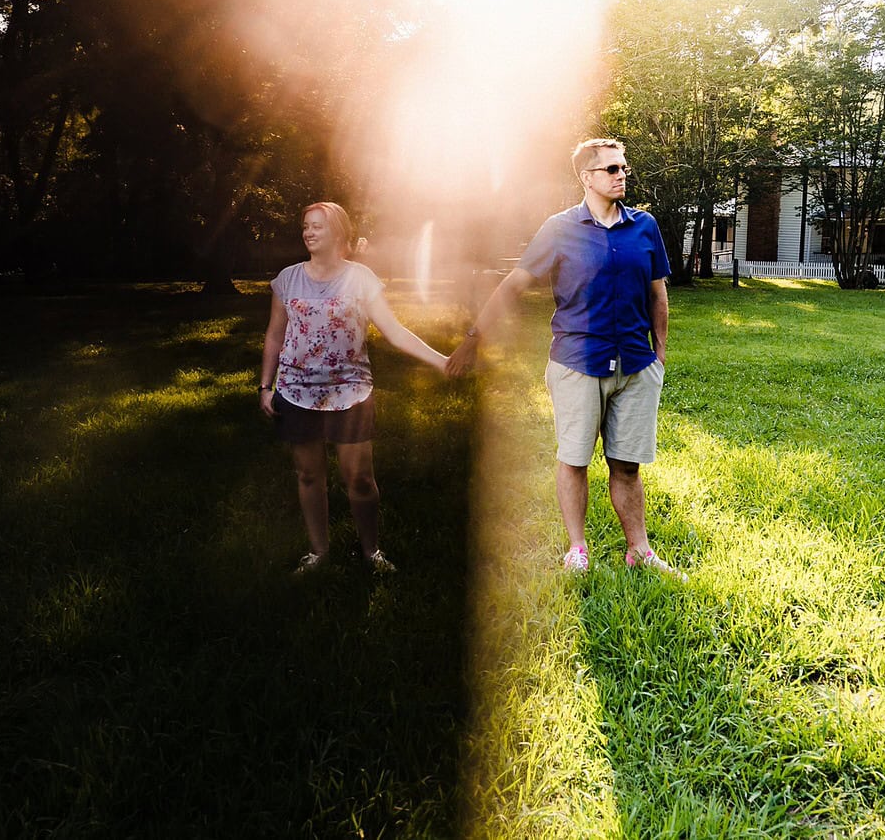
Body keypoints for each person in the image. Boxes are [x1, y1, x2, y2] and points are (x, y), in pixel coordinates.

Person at [446, 138, 680, 577]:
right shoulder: (558, 228)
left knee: (627, 465)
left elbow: (657, 293)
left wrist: (659, 355)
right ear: (586, 177)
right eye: (611, 169)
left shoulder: (644, 227)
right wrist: (474, 337)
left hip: (634, 363)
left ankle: (639, 551)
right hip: (577, 361)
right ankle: (578, 549)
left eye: (623, 167)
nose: (621, 175)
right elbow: (513, 285)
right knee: (575, 459)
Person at [262, 202, 449, 574]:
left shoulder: (361, 278)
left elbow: (394, 331)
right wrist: (266, 386)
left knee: (360, 478)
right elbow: (274, 335)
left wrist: (442, 361)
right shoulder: (288, 279)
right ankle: (319, 553)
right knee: (309, 475)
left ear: (338, 233)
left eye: (317, 226)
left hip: (351, 390)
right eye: (305, 226)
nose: (308, 232)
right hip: (297, 391)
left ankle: (371, 552)